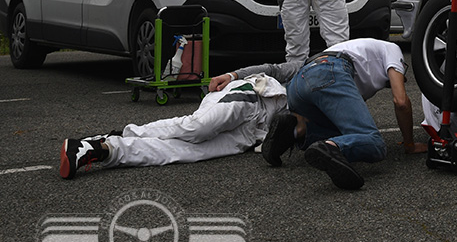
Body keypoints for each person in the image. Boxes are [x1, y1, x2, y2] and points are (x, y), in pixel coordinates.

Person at [247, 37, 428, 190]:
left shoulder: (359, 52)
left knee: (341, 133)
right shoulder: (392, 49)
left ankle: (296, 131)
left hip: (298, 84)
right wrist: (410, 144)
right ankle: (332, 147)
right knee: (374, 143)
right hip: (329, 72)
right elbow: (401, 101)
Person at [58, 73, 288, 179]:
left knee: (185, 152)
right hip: (256, 98)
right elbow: (277, 66)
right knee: (197, 128)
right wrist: (233, 74)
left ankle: (102, 150)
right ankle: (118, 135)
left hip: (256, 134)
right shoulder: (318, 62)